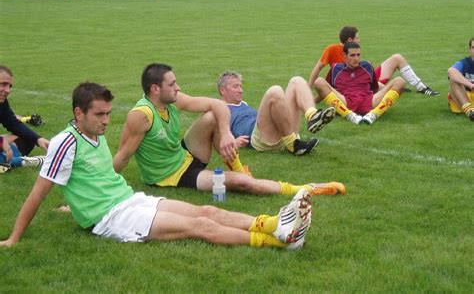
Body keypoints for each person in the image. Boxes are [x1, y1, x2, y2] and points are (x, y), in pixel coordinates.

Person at [0, 82, 313, 250]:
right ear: (79, 113)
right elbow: (38, 194)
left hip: (130, 200)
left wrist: (74, 205)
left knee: (209, 211)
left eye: (108, 113)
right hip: (113, 218)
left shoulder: (94, 136)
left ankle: (274, 223)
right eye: (100, 115)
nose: (107, 121)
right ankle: (278, 240)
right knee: (200, 227)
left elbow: (96, 178)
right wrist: (14, 239)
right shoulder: (63, 143)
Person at [113, 63, 345, 196]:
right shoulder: (141, 116)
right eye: (172, 84)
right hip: (173, 176)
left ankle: (238, 167)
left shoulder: (174, 100)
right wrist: (94, 188)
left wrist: (225, 135)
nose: (178, 87)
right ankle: (305, 189)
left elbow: (217, 105)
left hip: (186, 154)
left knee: (213, 114)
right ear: (155, 89)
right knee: (241, 184)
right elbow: (122, 157)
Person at [217, 71, 335, 156]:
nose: (240, 90)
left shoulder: (243, 103)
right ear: (223, 90)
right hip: (261, 139)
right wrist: (233, 143)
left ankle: (312, 115)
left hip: (278, 131)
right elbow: (215, 132)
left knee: (296, 81)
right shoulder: (219, 108)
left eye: (240, 86)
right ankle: (293, 144)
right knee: (275, 91)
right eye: (235, 86)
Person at [308, 26, 439, 97]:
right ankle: (396, 88)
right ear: (350, 40)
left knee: (397, 57)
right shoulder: (332, 49)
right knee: (387, 89)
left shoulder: (354, 51)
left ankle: (422, 87)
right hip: (356, 84)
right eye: (357, 38)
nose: (359, 40)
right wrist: (309, 88)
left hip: (366, 77)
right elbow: (317, 69)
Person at [313, 42, 405, 125]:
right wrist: (312, 103)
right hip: (345, 102)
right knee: (319, 82)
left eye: (358, 55)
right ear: (344, 55)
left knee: (400, 81)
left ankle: (374, 115)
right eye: (352, 55)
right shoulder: (335, 68)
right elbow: (326, 90)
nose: (356, 58)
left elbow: (375, 89)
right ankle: (349, 115)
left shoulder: (367, 66)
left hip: (369, 101)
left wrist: (389, 91)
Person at [0, 66, 49, 173]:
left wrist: (38, 139)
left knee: (26, 138)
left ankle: (7, 160)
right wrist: (2, 143)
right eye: (3, 84)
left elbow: (13, 123)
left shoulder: (2, 103)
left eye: (10, 86)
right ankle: (22, 161)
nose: (8, 90)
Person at [447, 37, 474, 121]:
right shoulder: (464, 63)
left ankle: (469, 111)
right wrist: (471, 85)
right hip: (464, 98)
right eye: (473, 47)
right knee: (453, 80)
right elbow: (451, 71)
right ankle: (470, 111)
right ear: (469, 49)